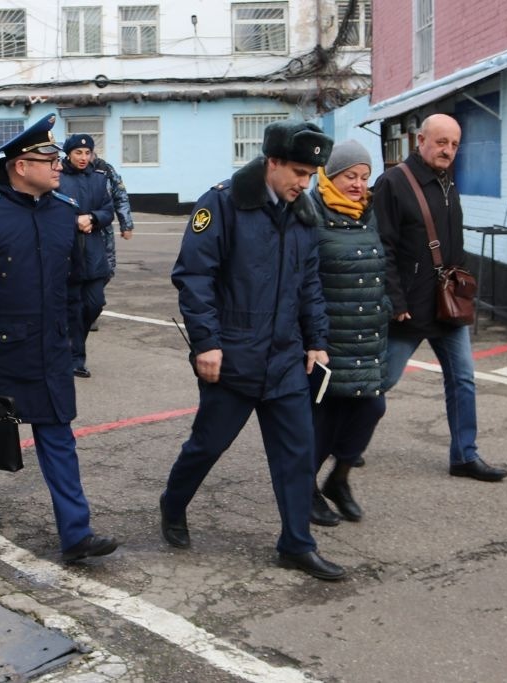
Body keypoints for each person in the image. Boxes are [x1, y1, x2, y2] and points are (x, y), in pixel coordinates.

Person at [159, 120, 347, 581]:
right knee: (207, 446)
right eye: (298, 173)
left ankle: (296, 544)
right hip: (233, 356)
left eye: (311, 176)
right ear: (273, 161)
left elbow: (309, 285)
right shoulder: (223, 203)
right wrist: (207, 343)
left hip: (284, 359)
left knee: (297, 455)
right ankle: (173, 502)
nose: (304, 185)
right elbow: (194, 276)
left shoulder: (303, 213)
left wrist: (317, 342)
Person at [0, 113, 119, 563]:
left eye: (57, 159)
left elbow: (69, 284)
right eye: (47, 158)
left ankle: (76, 535)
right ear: (19, 166)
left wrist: (73, 337)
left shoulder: (64, 214)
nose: (58, 166)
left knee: (59, 438)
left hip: (50, 348)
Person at [373, 113, 507, 482]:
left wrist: (462, 283)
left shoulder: (448, 182)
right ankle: (344, 442)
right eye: (441, 142)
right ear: (421, 141)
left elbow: (454, 243)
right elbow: (381, 248)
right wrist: (395, 302)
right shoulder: (392, 183)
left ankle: (464, 456)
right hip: (409, 309)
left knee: (463, 379)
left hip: (447, 305)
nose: (448, 150)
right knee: (378, 382)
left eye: (454, 144)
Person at [308, 140, 390, 526]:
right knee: (327, 416)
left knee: (371, 406)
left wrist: (384, 307)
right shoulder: (311, 211)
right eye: (349, 176)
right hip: (330, 334)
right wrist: (313, 337)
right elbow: (304, 277)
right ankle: (305, 488)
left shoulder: (366, 212)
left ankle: (338, 479)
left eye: (363, 177)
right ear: (330, 175)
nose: (358, 184)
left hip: (366, 333)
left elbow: (379, 262)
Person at [59, 134, 114, 378]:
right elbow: (48, 211)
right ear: (69, 154)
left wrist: (92, 218)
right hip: (68, 252)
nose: (83, 157)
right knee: (72, 307)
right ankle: (75, 359)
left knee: (94, 303)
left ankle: (74, 346)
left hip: (93, 252)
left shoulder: (99, 179)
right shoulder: (57, 177)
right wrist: (73, 222)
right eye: (78, 153)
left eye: (87, 153)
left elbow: (108, 211)